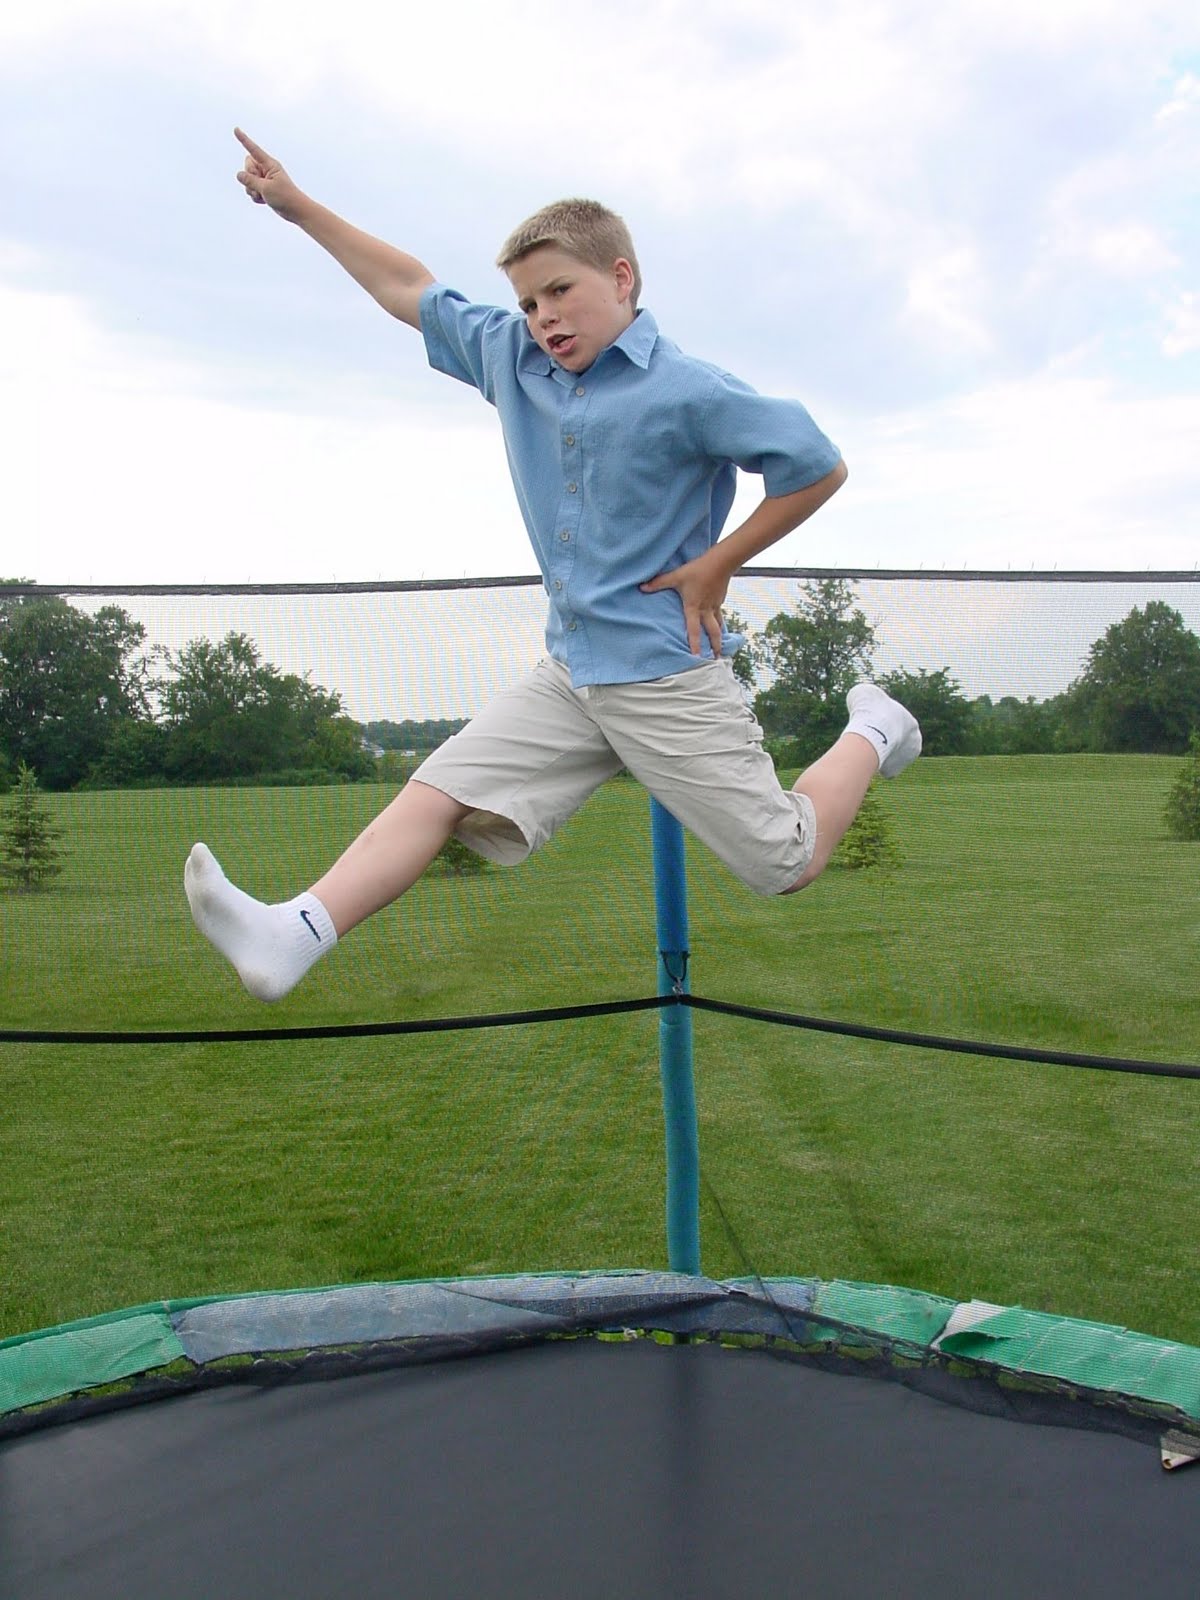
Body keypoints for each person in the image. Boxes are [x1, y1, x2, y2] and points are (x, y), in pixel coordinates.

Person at [185, 128, 921, 1002]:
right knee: (438, 790)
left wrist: (720, 563)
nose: (545, 319)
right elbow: (407, 286)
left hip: (662, 673)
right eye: (531, 303)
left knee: (786, 862)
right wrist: (295, 204)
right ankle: (293, 932)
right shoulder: (514, 359)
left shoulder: (690, 391)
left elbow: (817, 465)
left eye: (560, 293)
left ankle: (875, 726)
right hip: (571, 671)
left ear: (621, 279)